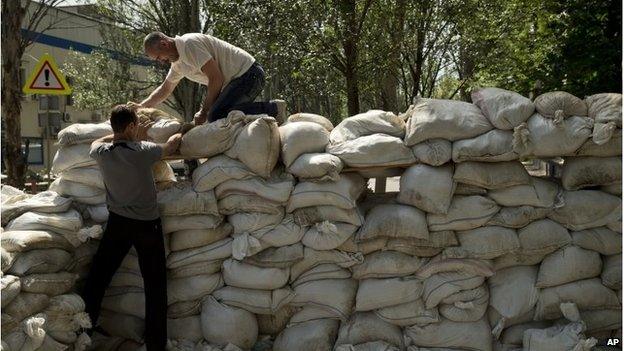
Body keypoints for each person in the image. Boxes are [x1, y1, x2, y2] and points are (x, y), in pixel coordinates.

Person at [82, 104, 181, 350]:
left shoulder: (101, 153)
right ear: (130, 127)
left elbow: (96, 142)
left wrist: (118, 134)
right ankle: (155, 344)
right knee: (155, 285)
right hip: (147, 227)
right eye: (134, 126)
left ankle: (83, 330)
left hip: (118, 225)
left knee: (98, 277)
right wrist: (182, 131)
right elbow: (171, 147)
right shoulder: (143, 150)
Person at [138, 31, 287, 125]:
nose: (160, 61)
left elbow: (216, 79)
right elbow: (165, 89)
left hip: (249, 75)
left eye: (158, 57)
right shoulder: (178, 64)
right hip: (238, 80)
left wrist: (204, 111)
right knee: (221, 113)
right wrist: (141, 107)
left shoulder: (189, 44)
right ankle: (270, 109)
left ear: (164, 44)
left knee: (216, 114)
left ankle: (273, 109)